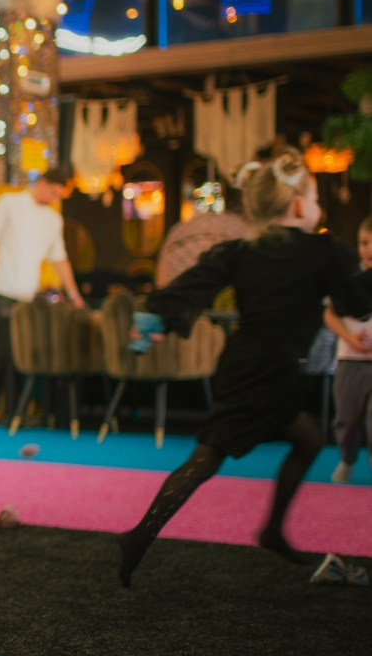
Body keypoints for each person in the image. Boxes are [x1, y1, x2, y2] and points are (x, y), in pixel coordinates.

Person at [117, 150, 372, 587]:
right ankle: (143, 534)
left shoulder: (243, 251)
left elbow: (193, 284)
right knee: (213, 455)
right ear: (296, 205)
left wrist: (157, 318)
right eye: (314, 199)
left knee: (302, 439)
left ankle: (268, 530)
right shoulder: (320, 251)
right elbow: (356, 302)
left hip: (244, 365)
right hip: (270, 369)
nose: (317, 208)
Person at [0, 168, 86, 424]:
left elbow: (59, 258)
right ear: (44, 183)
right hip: (3, 286)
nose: (55, 198)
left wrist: (74, 294)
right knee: (1, 350)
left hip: (29, 293)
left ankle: (19, 410)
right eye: (54, 192)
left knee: (24, 353)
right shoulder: (10, 202)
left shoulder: (53, 219)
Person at [325, 215, 372, 483]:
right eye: (364, 242)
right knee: (347, 419)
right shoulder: (348, 278)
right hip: (349, 360)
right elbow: (330, 315)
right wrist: (351, 339)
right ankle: (347, 458)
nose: (368, 249)